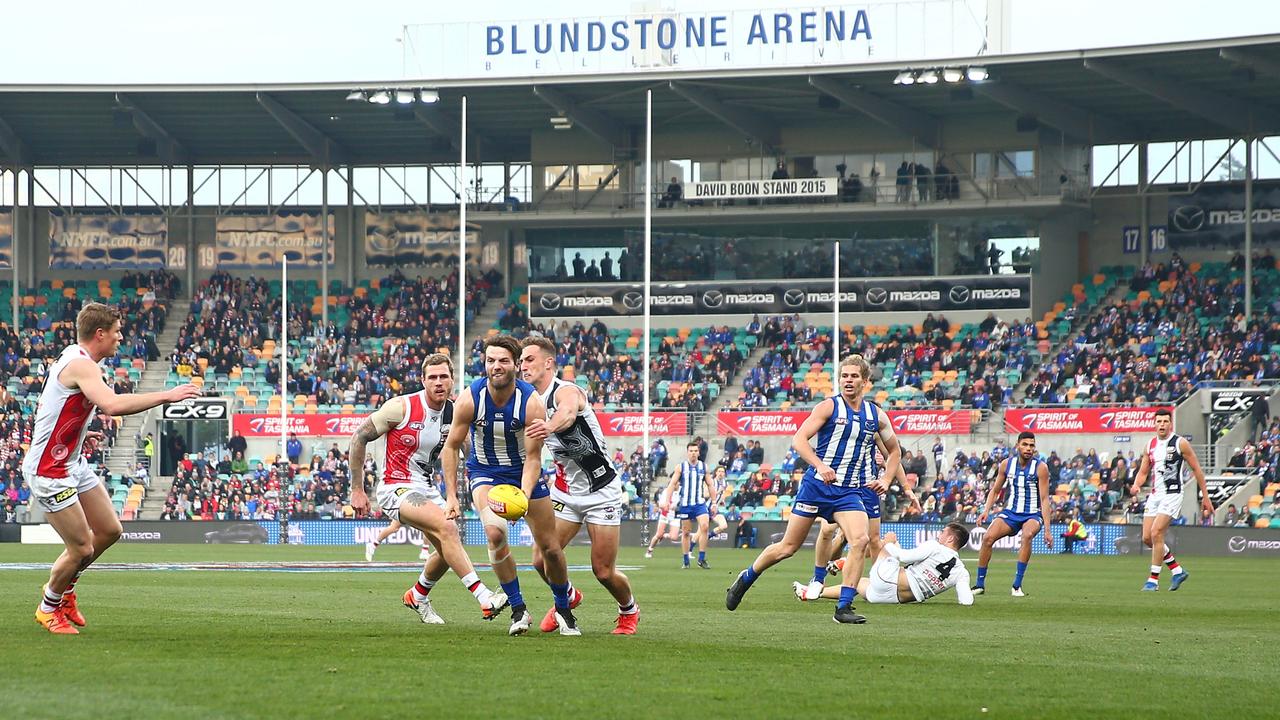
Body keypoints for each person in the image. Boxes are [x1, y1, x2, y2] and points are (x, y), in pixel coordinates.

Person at [25, 302, 201, 634]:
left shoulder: (75, 358)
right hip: (50, 471)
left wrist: (77, 433)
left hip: (70, 461)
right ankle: (49, 606)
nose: (121, 338)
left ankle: (66, 590)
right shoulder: (82, 365)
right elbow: (112, 405)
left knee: (110, 531)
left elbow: (52, 405)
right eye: (117, 332)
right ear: (100, 334)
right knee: (81, 548)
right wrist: (166, 395)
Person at [726, 354, 901, 624]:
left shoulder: (875, 415)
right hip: (817, 486)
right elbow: (799, 440)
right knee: (787, 547)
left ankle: (843, 607)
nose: (848, 380)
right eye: (844, 376)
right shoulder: (828, 408)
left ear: (865, 381)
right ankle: (747, 577)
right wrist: (820, 465)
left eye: (854, 376)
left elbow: (894, 451)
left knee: (861, 540)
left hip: (848, 491)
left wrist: (887, 479)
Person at [348, 353, 507, 624]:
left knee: (448, 548)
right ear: (423, 380)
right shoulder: (401, 407)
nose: (438, 382)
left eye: (443, 376)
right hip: (394, 487)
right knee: (448, 529)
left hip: (426, 488)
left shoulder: (455, 413)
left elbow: (468, 450)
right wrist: (357, 489)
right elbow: (359, 436)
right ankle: (484, 597)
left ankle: (418, 595)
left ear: (452, 380)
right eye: (432, 377)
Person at [442, 335, 577, 636]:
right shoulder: (469, 399)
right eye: (490, 360)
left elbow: (532, 459)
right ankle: (518, 609)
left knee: (551, 550)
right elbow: (451, 447)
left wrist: (523, 497)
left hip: (523, 474)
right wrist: (451, 496)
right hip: (485, 473)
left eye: (503, 360)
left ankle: (564, 609)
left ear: (515, 364)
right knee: (494, 533)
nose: (496, 366)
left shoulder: (530, 402)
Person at [520, 337, 640, 635]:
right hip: (565, 491)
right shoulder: (529, 402)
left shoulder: (567, 391)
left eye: (529, 359)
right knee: (540, 559)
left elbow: (568, 413)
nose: (523, 366)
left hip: (602, 490)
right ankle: (568, 596)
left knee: (602, 571)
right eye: (521, 361)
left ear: (548, 363)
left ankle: (629, 610)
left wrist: (549, 426)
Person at [1130, 409, 1212, 591]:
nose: (1161, 424)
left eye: (1165, 421)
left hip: (1173, 493)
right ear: (1154, 423)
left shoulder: (1180, 443)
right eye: (1158, 421)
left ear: (1170, 424)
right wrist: (1136, 485)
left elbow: (1196, 469)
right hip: (1155, 494)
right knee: (1146, 538)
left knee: (1157, 532)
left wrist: (1205, 496)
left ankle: (1153, 580)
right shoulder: (1150, 445)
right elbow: (1143, 472)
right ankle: (1177, 571)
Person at [793, 525, 973, 606]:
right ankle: (811, 593)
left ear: (950, 538)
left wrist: (889, 542)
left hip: (887, 580)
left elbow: (903, 557)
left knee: (879, 541)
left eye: (943, 532)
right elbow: (966, 601)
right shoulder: (961, 572)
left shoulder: (935, 546)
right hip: (894, 599)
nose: (939, 535)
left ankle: (844, 562)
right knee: (857, 583)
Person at [973, 432, 1052, 597]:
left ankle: (1017, 585)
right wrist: (985, 511)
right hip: (1010, 512)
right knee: (987, 538)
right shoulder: (1006, 464)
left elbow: (1045, 500)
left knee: (1027, 535)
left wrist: (1047, 530)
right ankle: (979, 585)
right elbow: (995, 491)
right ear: (1017, 445)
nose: (1029, 448)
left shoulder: (1041, 467)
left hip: (1032, 514)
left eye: (1032, 445)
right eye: (1025, 444)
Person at [664, 441, 714, 569]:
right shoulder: (681, 467)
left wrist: (714, 503)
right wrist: (666, 501)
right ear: (687, 452)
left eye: (695, 451)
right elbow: (671, 484)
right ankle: (686, 560)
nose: (693, 453)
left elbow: (710, 485)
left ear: (699, 452)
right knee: (686, 532)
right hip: (685, 504)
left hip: (699, 503)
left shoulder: (704, 467)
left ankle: (701, 558)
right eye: (691, 451)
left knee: (704, 526)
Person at [645, 485, 682, 558]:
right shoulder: (666, 491)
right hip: (665, 514)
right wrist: (666, 506)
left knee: (674, 537)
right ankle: (649, 550)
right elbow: (660, 504)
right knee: (658, 534)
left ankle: (664, 535)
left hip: (675, 515)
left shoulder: (682, 490)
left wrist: (677, 507)